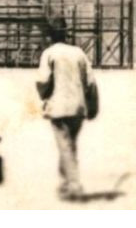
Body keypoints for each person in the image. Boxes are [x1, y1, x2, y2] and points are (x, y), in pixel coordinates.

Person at [36, 18, 95, 201]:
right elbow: (90, 82)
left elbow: (43, 80)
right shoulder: (79, 53)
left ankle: (74, 185)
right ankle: (65, 182)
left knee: (65, 146)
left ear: (51, 35)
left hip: (58, 107)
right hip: (78, 106)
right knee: (70, 145)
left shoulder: (49, 53)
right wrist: (91, 105)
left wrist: (44, 95)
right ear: (66, 33)